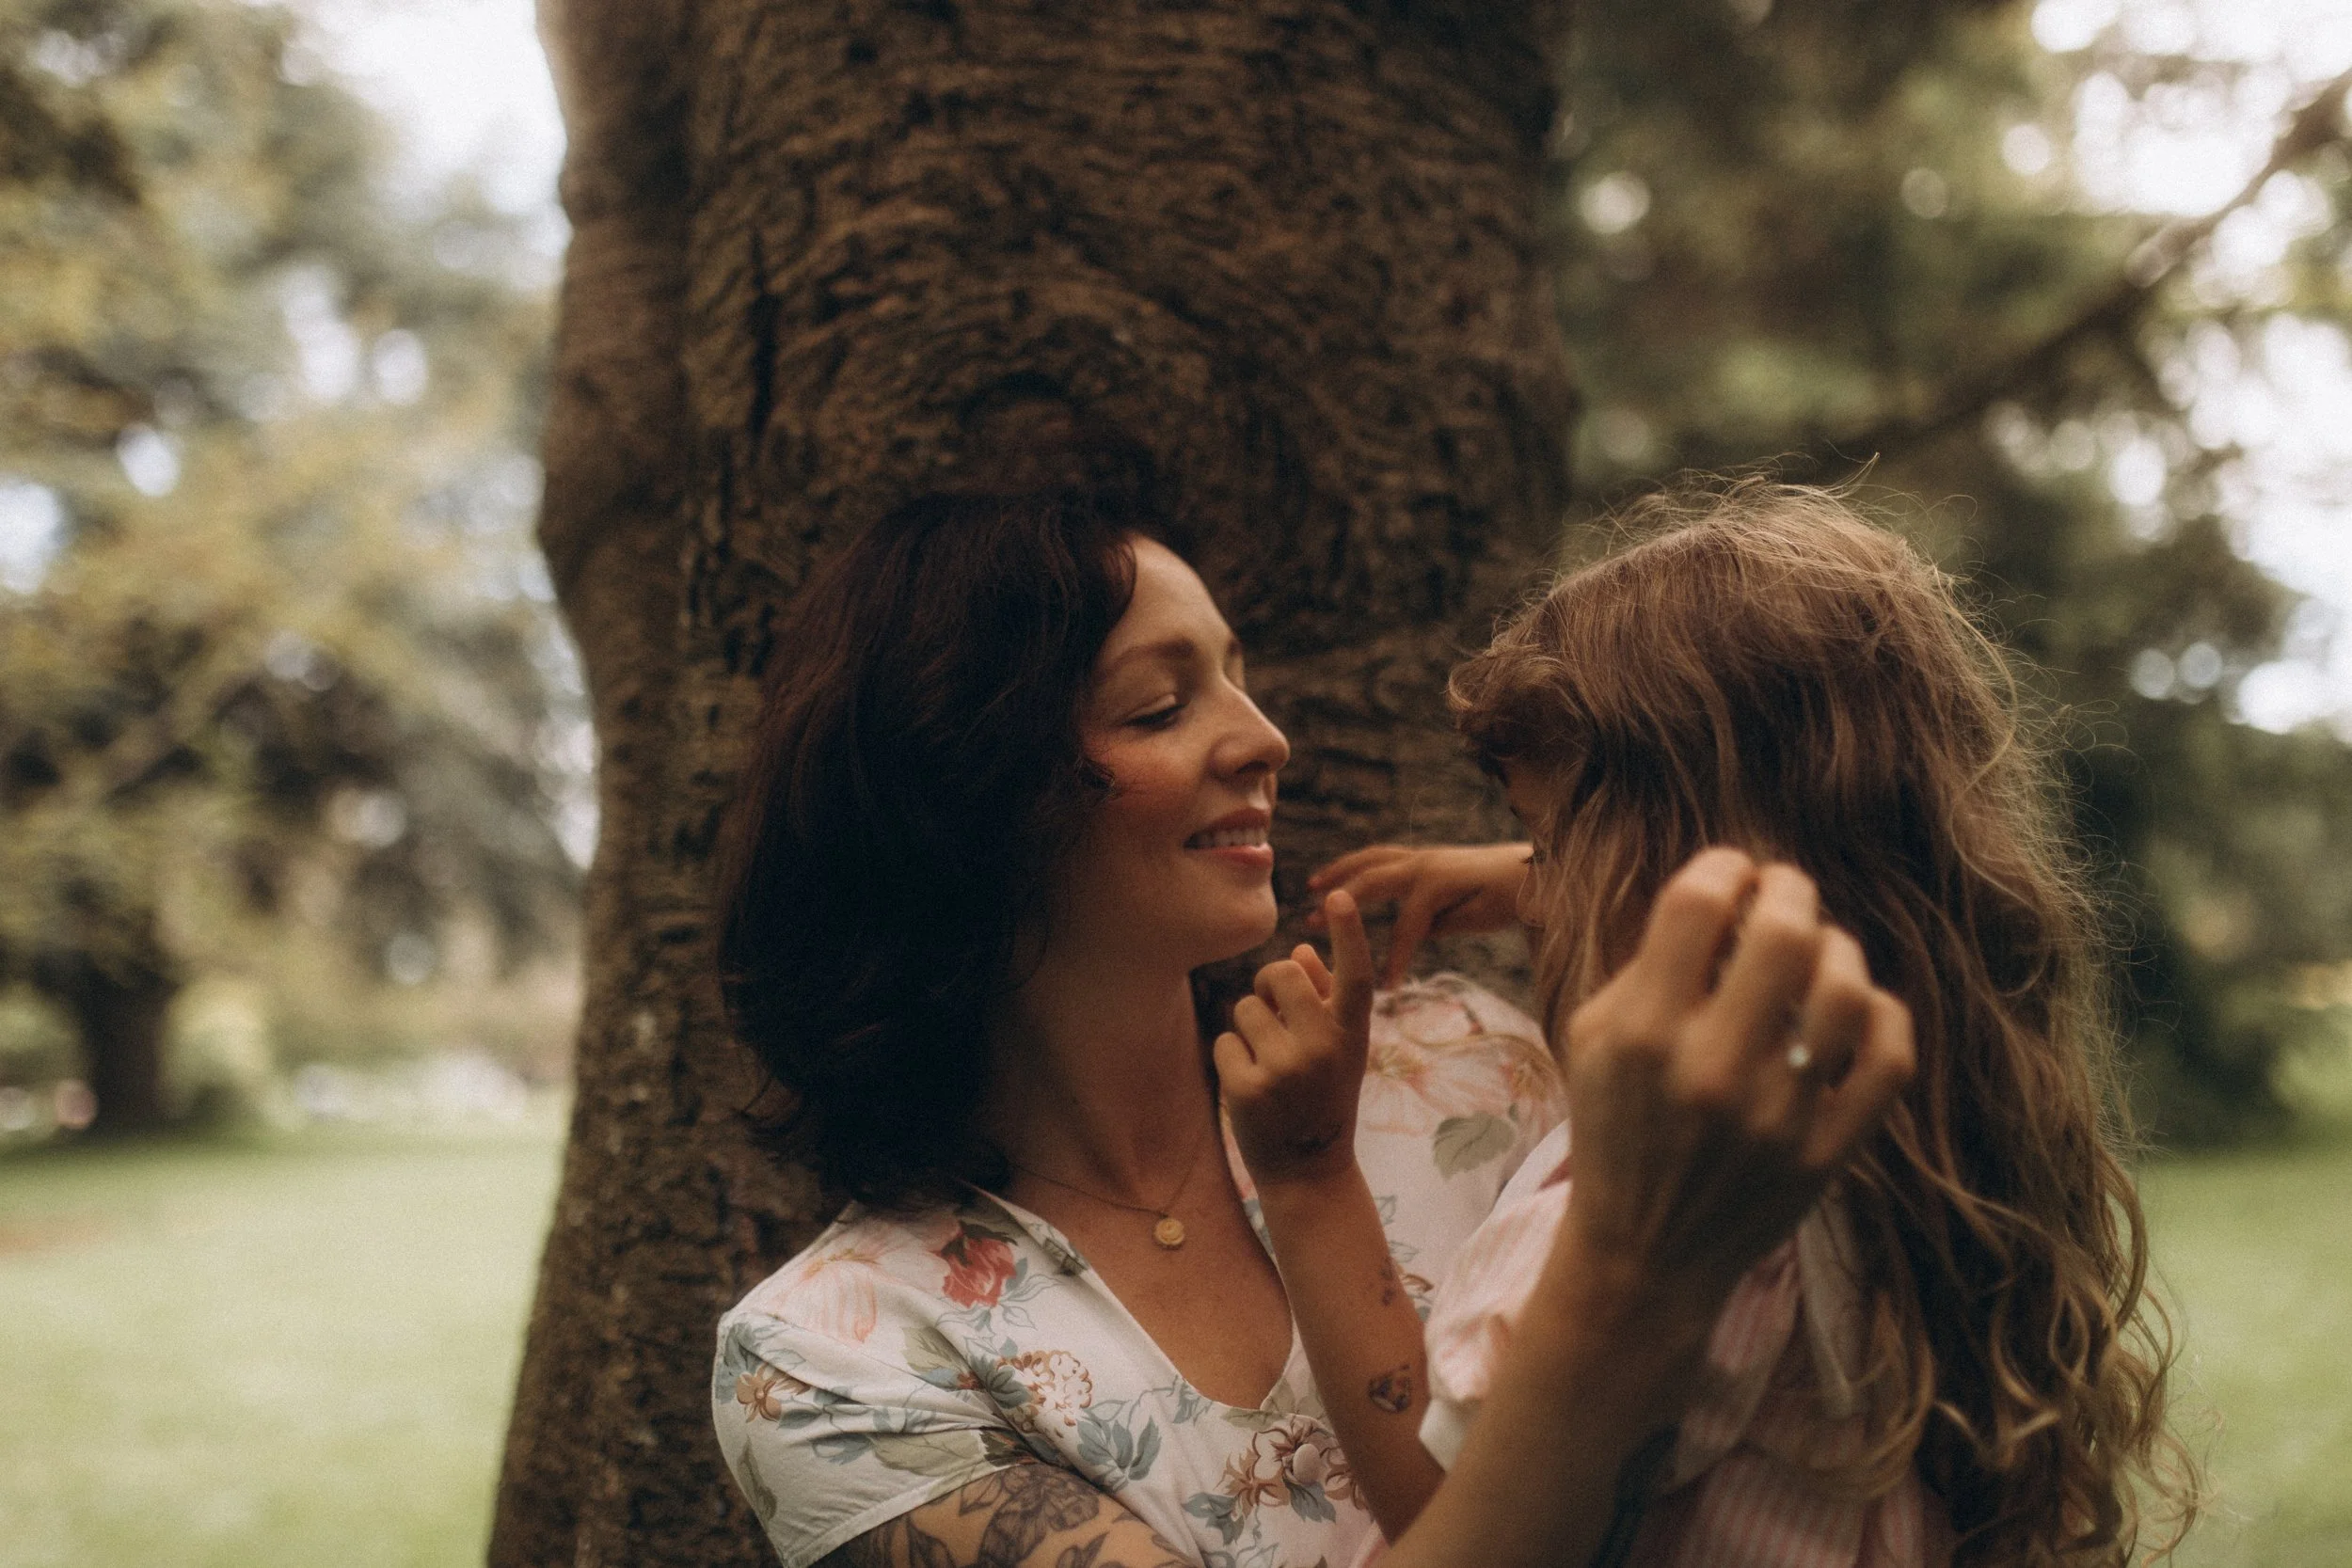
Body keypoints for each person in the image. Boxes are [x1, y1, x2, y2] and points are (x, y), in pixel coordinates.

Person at [708, 488, 1912, 1568]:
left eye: (1239, 677)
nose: (1265, 738)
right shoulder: (839, 1360)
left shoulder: (1471, 1066)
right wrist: (1627, 1282)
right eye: (1160, 705)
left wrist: (1566, 871)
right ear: (961, 790)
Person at [1223, 479, 2195, 1568]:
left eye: (1553, 842)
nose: (1544, 891)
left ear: (1673, 873)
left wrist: (1311, 1176)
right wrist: (1531, 876)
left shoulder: (1659, 1208)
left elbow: (1440, 1501)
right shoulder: (1924, 1115)